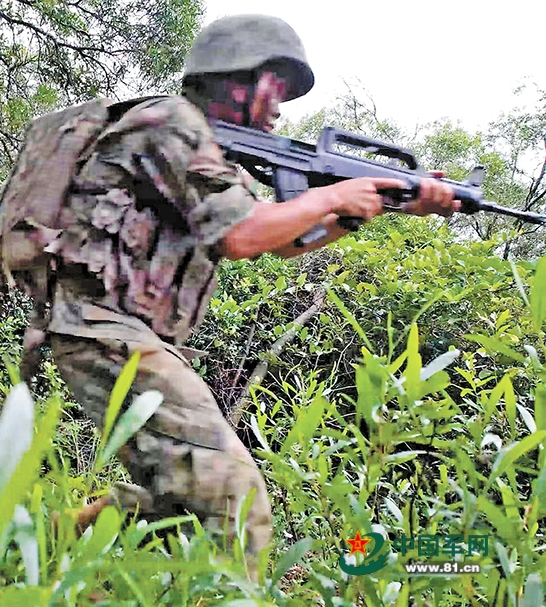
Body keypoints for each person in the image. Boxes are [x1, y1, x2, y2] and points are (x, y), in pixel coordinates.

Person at [29, 14, 458, 573]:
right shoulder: (170, 122)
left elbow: (285, 242)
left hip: (121, 332)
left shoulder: (209, 152)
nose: (281, 106)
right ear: (234, 77)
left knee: (182, 494)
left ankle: (45, 542)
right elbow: (243, 235)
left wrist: (369, 207)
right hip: (101, 326)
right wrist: (338, 195)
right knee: (234, 494)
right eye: (277, 86)